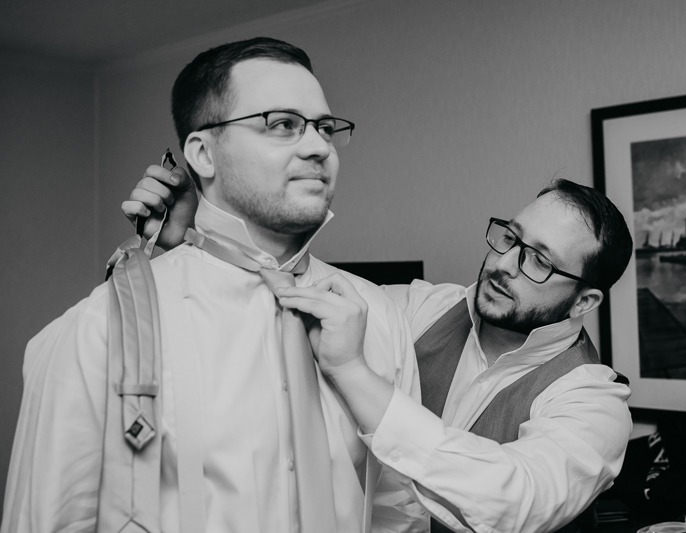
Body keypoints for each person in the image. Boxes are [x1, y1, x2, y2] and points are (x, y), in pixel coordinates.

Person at [1, 37, 425, 533]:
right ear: (203, 153)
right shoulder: (101, 329)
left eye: (325, 128)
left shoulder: (377, 314)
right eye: (283, 125)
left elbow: (398, 511)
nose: (319, 148)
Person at [124, 165, 635, 533]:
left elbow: (521, 500)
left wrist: (353, 373)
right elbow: (288, 294)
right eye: (510, 238)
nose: (503, 264)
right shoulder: (419, 309)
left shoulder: (593, 400)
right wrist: (188, 245)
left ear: (584, 299)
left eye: (539, 261)